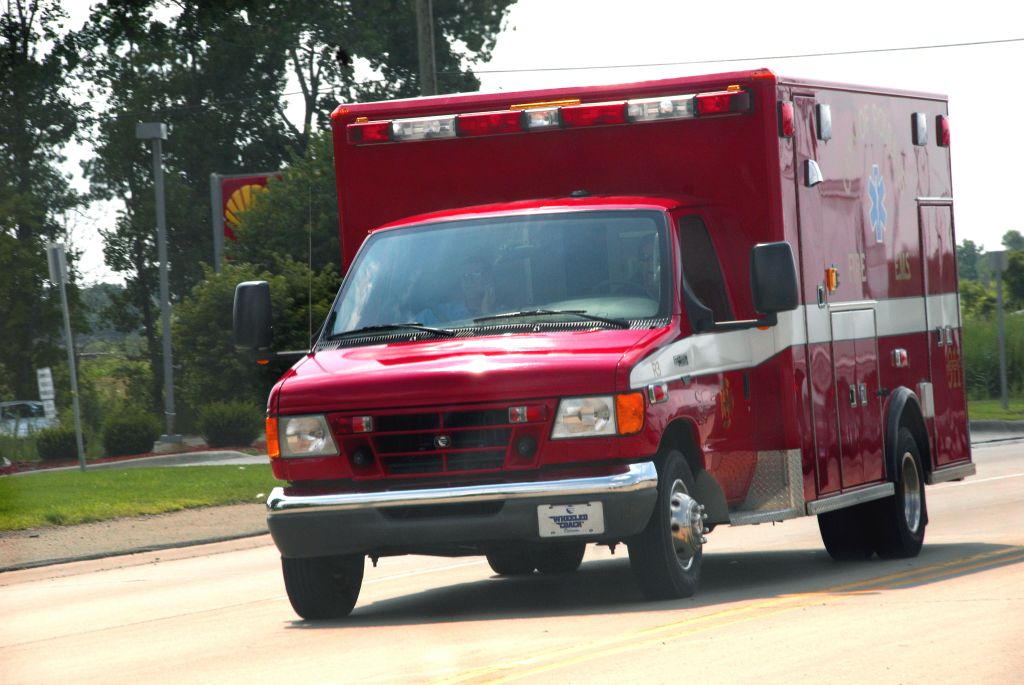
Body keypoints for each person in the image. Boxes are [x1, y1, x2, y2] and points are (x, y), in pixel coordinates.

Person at [417, 255, 496, 324]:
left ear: (489, 280)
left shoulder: (503, 315)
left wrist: (486, 313)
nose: (469, 280)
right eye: (465, 275)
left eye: (476, 274)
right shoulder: (435, 313)